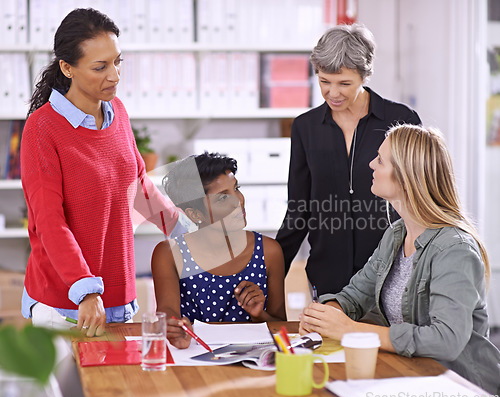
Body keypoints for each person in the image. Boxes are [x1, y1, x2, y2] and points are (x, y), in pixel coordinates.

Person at [20, 8, 190, 337]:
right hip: (67, 305)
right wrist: (85, 290)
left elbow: (140, 187)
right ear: (67, 68)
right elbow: (49, 222)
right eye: (100, 67)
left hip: (116, 296)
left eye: (117, 62)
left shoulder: (118, 113)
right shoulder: (42, 129)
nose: (114, 76)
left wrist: (189, 234)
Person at [299, 124, 500, 395]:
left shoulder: (455, 250)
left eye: (380, 160)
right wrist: (328, 315)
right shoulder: (396, 235)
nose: (371, 164)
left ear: (406, 178)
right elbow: (356, 294)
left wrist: (351, 330)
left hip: (461, 389)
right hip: (410, 378)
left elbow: (446, 341)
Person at [276, 24, 421, 297]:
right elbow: (298, 209)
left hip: (389, 272)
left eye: (344, 83)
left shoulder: (401, 120)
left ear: (364, 76)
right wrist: (270, 274)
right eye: (324, 81)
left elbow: (420, 197)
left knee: (386, 341)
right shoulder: (305, 128)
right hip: (327, 274)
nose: (333, 93)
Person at [151, 152, 286, 349]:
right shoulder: (169, 254)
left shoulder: (269, 251)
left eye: (236, 188)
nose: (239, 200)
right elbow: (168, 314)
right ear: (195, 214)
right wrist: (175, 328)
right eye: (223, 198)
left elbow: (282, 326)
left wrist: (259, 314)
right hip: (194, 362)